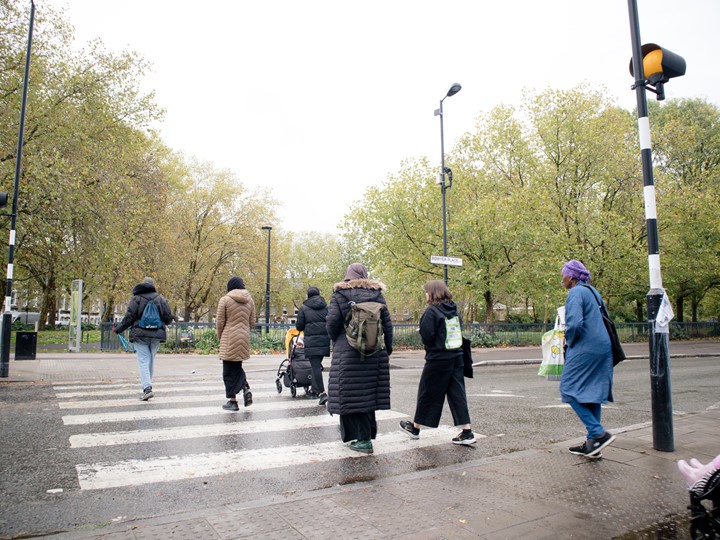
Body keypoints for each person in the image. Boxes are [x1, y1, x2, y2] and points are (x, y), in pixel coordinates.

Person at [325, 263, 393, 454]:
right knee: (366, 394)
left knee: (350, 394)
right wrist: (388, 348)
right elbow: (387, 324)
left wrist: (336, 340)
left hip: (347, 351)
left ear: (348, 276)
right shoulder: (377, 295)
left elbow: (331, 323)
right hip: (374, 352)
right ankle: (363, 435)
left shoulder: (339, 295)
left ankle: (363, 440)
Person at [399, 280, 477, 445]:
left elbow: (428, 337)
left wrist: (422, 331)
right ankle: (467, 431)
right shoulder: (454, 309)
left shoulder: (431, 311)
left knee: (427, 393)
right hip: (457, 356)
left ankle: (415, 428)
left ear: (433, 293)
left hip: (438, 359)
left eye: (427, 292)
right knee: (458, 394)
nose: (426, 294)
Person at [560, 259, 616, 458]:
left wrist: (569, 341)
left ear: (573, 277)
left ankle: (598, 433)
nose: (562, 278)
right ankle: (594, 445)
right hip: (603, 346)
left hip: (586, 346)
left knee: (568, 388)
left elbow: (574, 324)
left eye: (564, 275)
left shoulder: (575, 292)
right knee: (592, 393)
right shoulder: (593, 292)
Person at [113, 277, 174, 401]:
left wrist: (119, 329)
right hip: (156, 335)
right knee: (150, 361)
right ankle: (147, 387)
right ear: (153, 286)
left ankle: (147, 388)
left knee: (143, 361)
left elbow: (129, 317)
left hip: (140, 334)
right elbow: (168, 319)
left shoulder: (136, 299)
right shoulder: (161, 299)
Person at [216, 276, 256, 411]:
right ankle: (244, 387)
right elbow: (252, 322)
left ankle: (232, 401)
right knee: (237, 366)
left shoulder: (225, 300)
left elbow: (220, 322)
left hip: (229, 336)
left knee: (228, 370)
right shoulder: (250, 300)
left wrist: (220, 336)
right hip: (244, 337)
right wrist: (244, 331)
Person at [295, 286, 330, 405]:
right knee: (317, 366)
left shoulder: (304, 308)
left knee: (315, 367)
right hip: (324, 340)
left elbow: (299, 327)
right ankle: (314, 390)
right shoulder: (326, 307)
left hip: (311, 341)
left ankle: (322, 393)